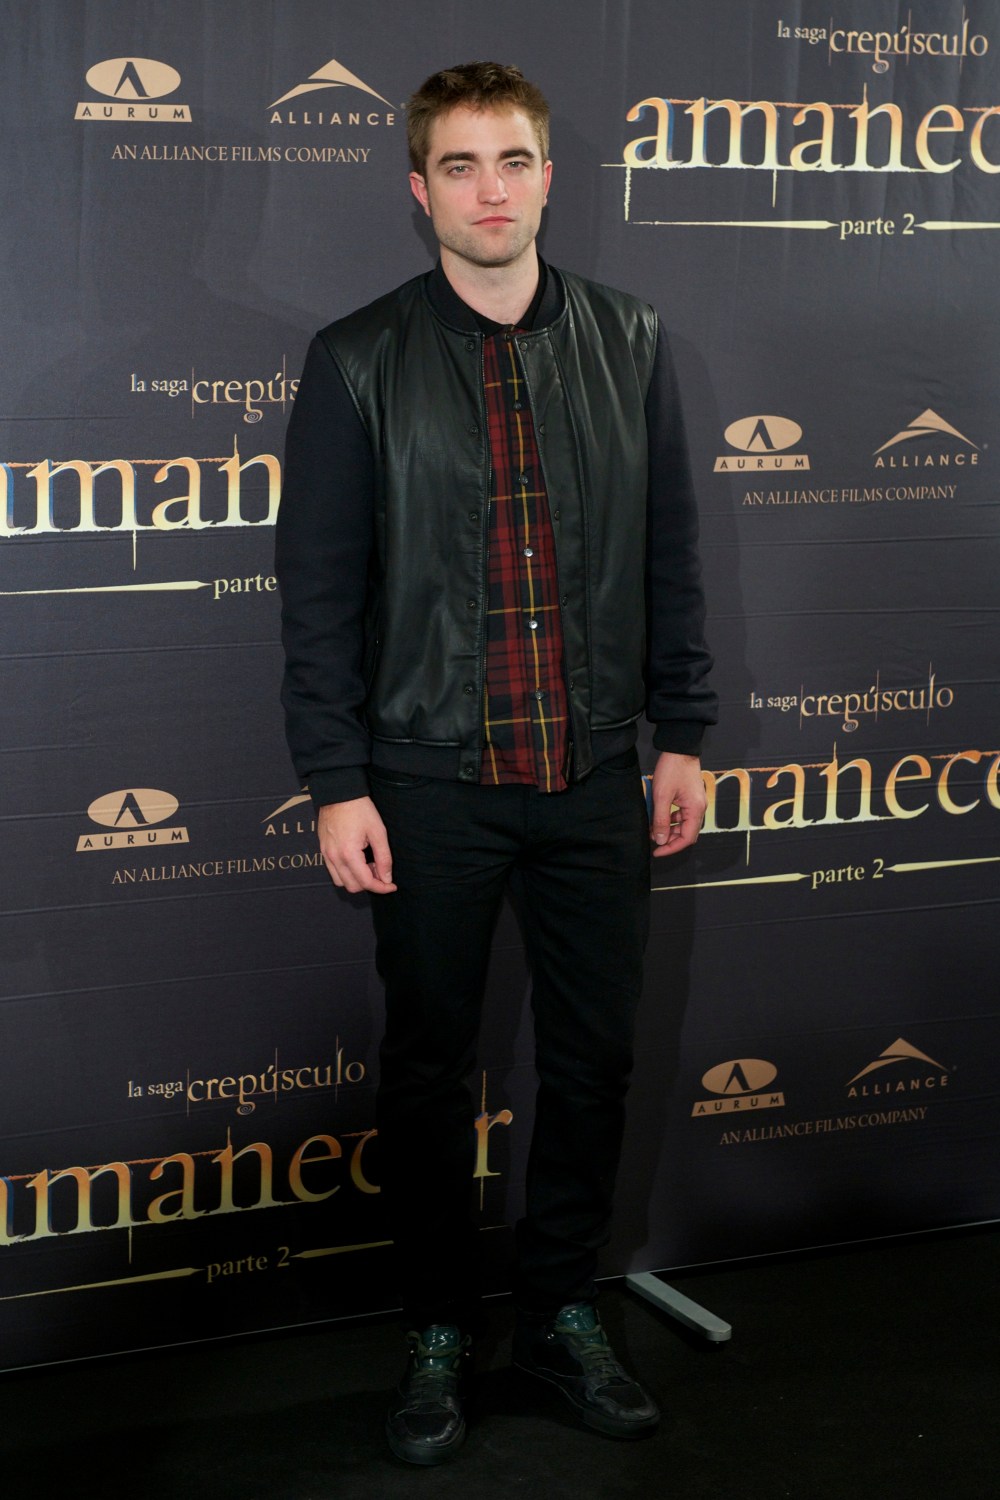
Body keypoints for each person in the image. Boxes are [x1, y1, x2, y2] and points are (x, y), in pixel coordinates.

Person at [275, 61, 717, 1465]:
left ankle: (561, 1313)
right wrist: (336, 779)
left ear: (547, 176)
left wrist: (682, 734)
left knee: (593, 1060)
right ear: (419, 191)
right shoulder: (357, 359)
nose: (490, 190)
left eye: (512, 161)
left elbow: (670, 556)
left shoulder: (629, 338)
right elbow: (318, 596)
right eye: (459, 166)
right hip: (424, 785)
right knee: (428, 1070)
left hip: (594, 777)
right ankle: (436, 1328)